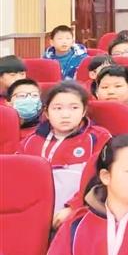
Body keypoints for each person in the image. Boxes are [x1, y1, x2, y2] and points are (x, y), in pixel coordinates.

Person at [18, 81, 112, 227]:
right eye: (58, 108)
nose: (65, 115)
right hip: (34, 214)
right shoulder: (29, 141)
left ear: (84, 111)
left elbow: (101, 179)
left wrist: (74, 207)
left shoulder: (99, 138)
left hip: (81, 213)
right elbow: (19, 181)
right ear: (47, 112)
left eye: (74, 108)